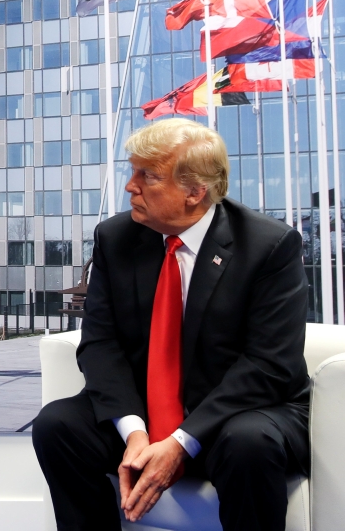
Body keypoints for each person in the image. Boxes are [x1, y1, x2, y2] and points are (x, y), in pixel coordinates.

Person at [32, 118, 310, 531]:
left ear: (195, 192)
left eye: (148, 176)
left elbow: (268, 365)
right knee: (58, 425)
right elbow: (100, 344)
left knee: (249, 442)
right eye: (133, 172)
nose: (131, 186)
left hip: (239, 411)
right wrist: (135, 433)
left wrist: (180, 441)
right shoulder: (116, 237)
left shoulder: (269, 245)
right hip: (147, 412)